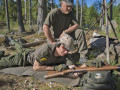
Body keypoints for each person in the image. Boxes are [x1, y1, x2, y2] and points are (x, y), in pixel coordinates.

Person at [0, 34, 87, 72]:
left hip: (32, 52)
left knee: (22, 48)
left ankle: (12, 42)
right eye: (64, 48)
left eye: (68, 50)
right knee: (2, 62)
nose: (66, 52)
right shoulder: (46, 49)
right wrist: (55, 68)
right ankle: (12, 42)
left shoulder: (65, 55)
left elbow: (73, 67)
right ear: (58, 44)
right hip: (24, 58)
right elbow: (35, 67)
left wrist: (86, 65)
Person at [43, 0, 88, 64]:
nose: (69, 8)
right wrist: (52, 41)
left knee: (80, 32)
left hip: (65, 37)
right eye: (67, 6)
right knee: (52, 56)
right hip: (54, 39)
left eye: (71, 6)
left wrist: (65, 32)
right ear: (62, 3)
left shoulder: (71, 14)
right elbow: (45, 27)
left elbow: (76, 25)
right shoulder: (55, 12)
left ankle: (83, 56)